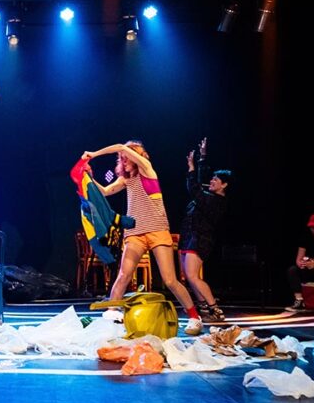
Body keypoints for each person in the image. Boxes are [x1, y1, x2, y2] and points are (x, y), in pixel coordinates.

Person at [82, 140, 203, 335]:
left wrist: (93, 153)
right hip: (135, 233)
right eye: (122, 159)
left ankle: (194, 317)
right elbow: (105, 191)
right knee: (124, 274)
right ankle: (112, 312)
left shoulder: (148, 171)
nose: (123, 160)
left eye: (126, 157)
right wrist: (88, 176)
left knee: (170, 280)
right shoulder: (126, 180)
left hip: (156, 230)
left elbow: (121, 146)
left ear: (135, 157)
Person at [178, 138, 232, 322]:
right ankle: (204, 308)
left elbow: (194, 188)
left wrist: (192, 168)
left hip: (200, 239)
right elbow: (200, 184)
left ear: (224, 185)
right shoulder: (209, 196)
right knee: (189, 276)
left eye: (216, 180)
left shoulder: (216, 202)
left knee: (193, 275)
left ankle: (214, 308)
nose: (212, 181)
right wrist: (202, 158)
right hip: (189, 237)